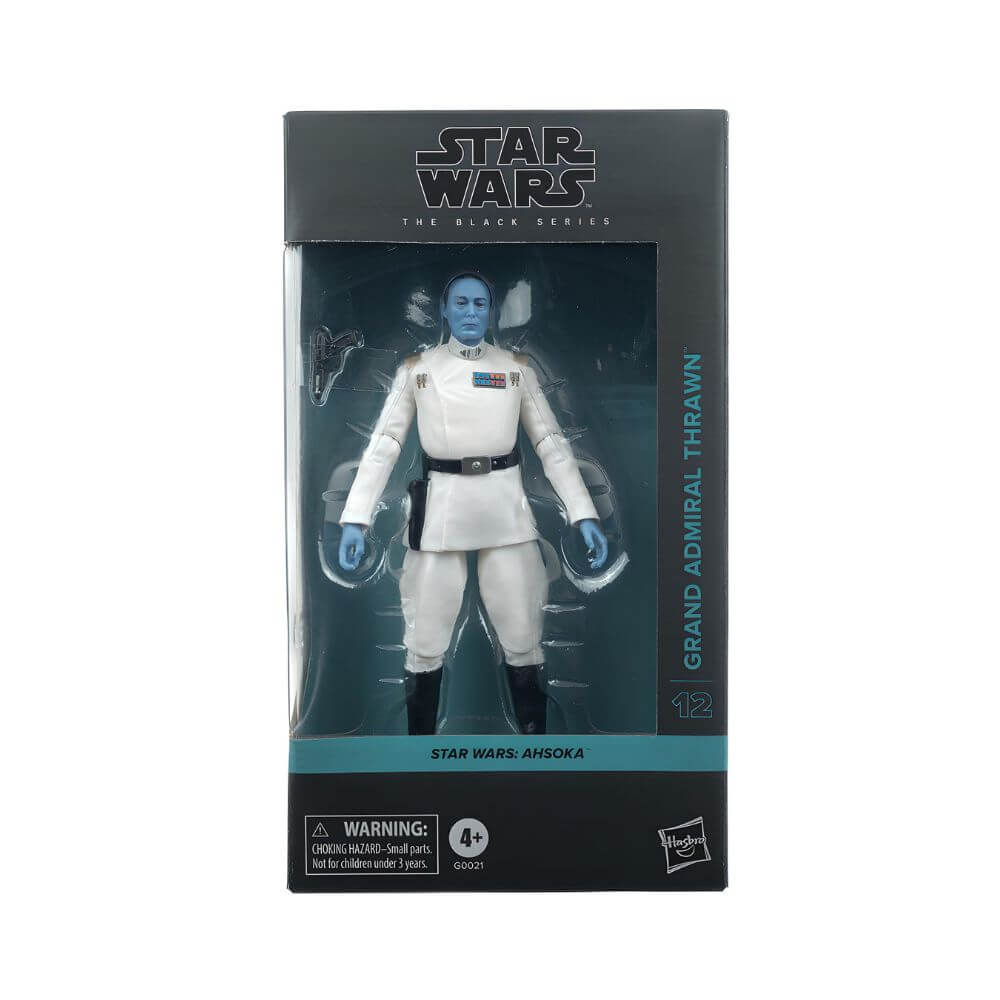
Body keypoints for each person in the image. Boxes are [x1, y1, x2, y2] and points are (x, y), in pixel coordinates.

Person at [338, 271, 608, 735]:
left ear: (491, 311)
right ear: (444, 310)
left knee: (522, 636)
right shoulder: (419, 370)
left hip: (506, 514)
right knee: (424, 640)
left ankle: (536, 753)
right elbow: (384, 445)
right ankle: (419, 751)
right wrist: (355, 518)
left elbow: (550, 443)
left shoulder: (516, 369)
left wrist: (583, 513)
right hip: (440, 514)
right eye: (460, 303)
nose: (470, 312)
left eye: (479, 304)